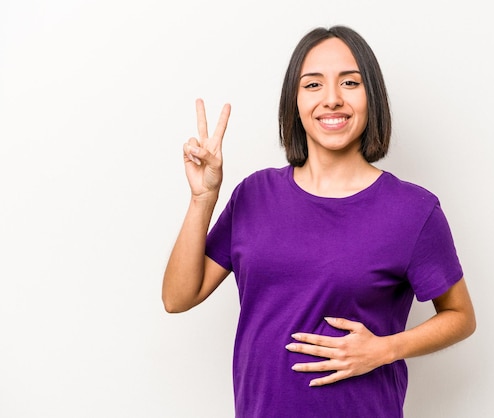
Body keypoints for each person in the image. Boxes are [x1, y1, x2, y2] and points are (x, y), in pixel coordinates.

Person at [162, 25, 476, 418]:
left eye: (349, 82)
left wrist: (386, 348)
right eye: (313, 85)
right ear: (294, 102)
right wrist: (202, 198)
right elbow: (178, 298)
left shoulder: (413, 211)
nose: (332, 99)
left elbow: (461, 316)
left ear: (371, 97)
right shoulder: (254, 196)